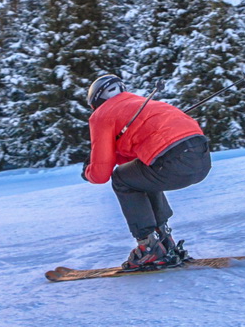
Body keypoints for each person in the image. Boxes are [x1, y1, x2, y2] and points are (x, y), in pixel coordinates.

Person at [81, 74, 212, 270]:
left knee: (121, 180)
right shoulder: (143, 103)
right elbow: (133, 156)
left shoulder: (101, 114)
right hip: (201, 158)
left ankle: (149, 246)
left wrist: (87, 171)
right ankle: (165, 241)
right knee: (140, 175)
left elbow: (101, 175)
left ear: (95, 102)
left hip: (173, 161)